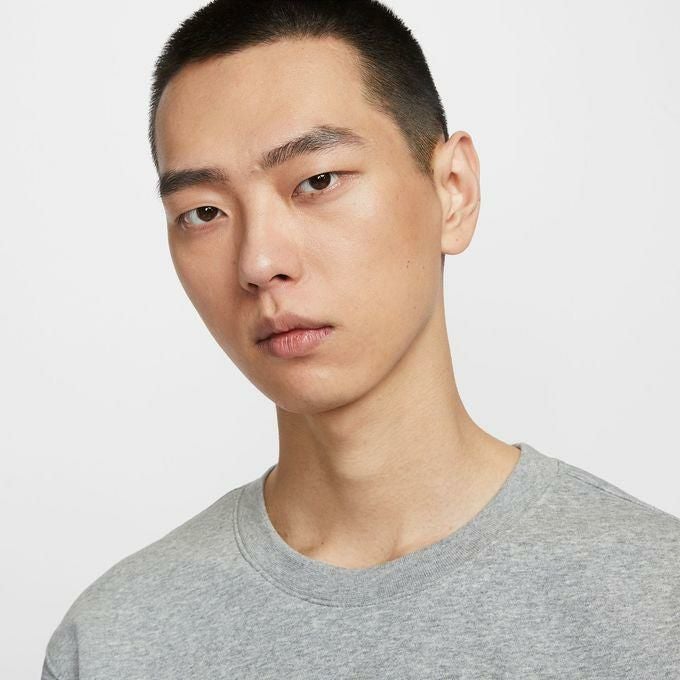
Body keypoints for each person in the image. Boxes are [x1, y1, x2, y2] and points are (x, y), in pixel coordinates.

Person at [41, 0, 680, 678]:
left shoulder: (652, 601)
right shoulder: (113, 640)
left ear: (454, 191)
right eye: (203, 213)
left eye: (317, 181)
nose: (259, 262)